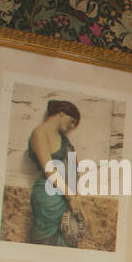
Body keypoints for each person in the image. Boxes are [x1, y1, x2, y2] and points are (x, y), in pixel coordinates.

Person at [27, 99, 84, 247]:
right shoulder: (40, 132)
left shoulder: (64, 140)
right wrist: (70, 195)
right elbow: (48, 169)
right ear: (61, 113)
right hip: (48, 197)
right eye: (72, 121)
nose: (71, 127)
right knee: (44, 242)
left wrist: (75, 196)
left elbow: (73, 167)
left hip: (65, 196)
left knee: (67, 239)